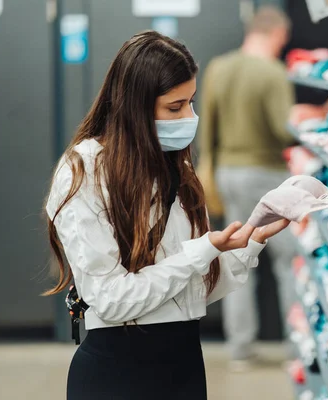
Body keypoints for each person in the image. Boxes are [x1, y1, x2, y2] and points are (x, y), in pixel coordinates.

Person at [43, 31, 290, 400]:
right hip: (117, 373)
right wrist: (201, 252)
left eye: (191, 103)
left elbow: (188, 295)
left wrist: (250, 244)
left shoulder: (176, 169)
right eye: (175, 108)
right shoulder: (85, 171)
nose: (189, 118)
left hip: (184, 366)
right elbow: (111, 300)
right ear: (134, 106)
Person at [197, 5, 298, 370]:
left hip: (227, 171)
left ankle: (240, 348)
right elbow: (283, 129)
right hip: (266, 173)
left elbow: (207, 126)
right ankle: (297, 345)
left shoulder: (219, 68)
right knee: (289, 260)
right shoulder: (272, 72)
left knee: (236, 256)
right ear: (276, 35)